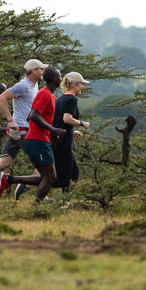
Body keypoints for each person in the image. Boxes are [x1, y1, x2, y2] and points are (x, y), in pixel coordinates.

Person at [0, 59, 48, 203]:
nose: (43, 72)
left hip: (17, 131)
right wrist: (10, 120)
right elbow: (1, 98)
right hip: (23, 131)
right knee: (42, 163)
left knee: (3, 163)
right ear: (34, 70)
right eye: (41, 69)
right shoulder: (24, 85)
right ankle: (40, 196)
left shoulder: (33, 86)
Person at [0, 67, 65, 203]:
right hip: (38, 140)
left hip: (37, 139)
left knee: (44, 176)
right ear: (54, 79)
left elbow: (29, 116)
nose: (61, 78)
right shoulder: (45, 94)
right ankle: (36, 207)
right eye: (59, 76)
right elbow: (34, 116)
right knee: (50, 177)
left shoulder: (46, 94)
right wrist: (52, 128)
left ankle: (9, 179)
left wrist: (51, 131)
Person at [51, 72, 90, 200]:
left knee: (74, 173)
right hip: (63, 144)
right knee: (64, 177)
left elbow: (58, 123)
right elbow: (67, 119)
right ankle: (29, 185)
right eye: (81, 84)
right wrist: (82, 123)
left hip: (58, 142)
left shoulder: (60, 99)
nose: (82, 87)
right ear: (73, 84)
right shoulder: (71, 99)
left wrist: (72, 132)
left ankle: (65, 201)